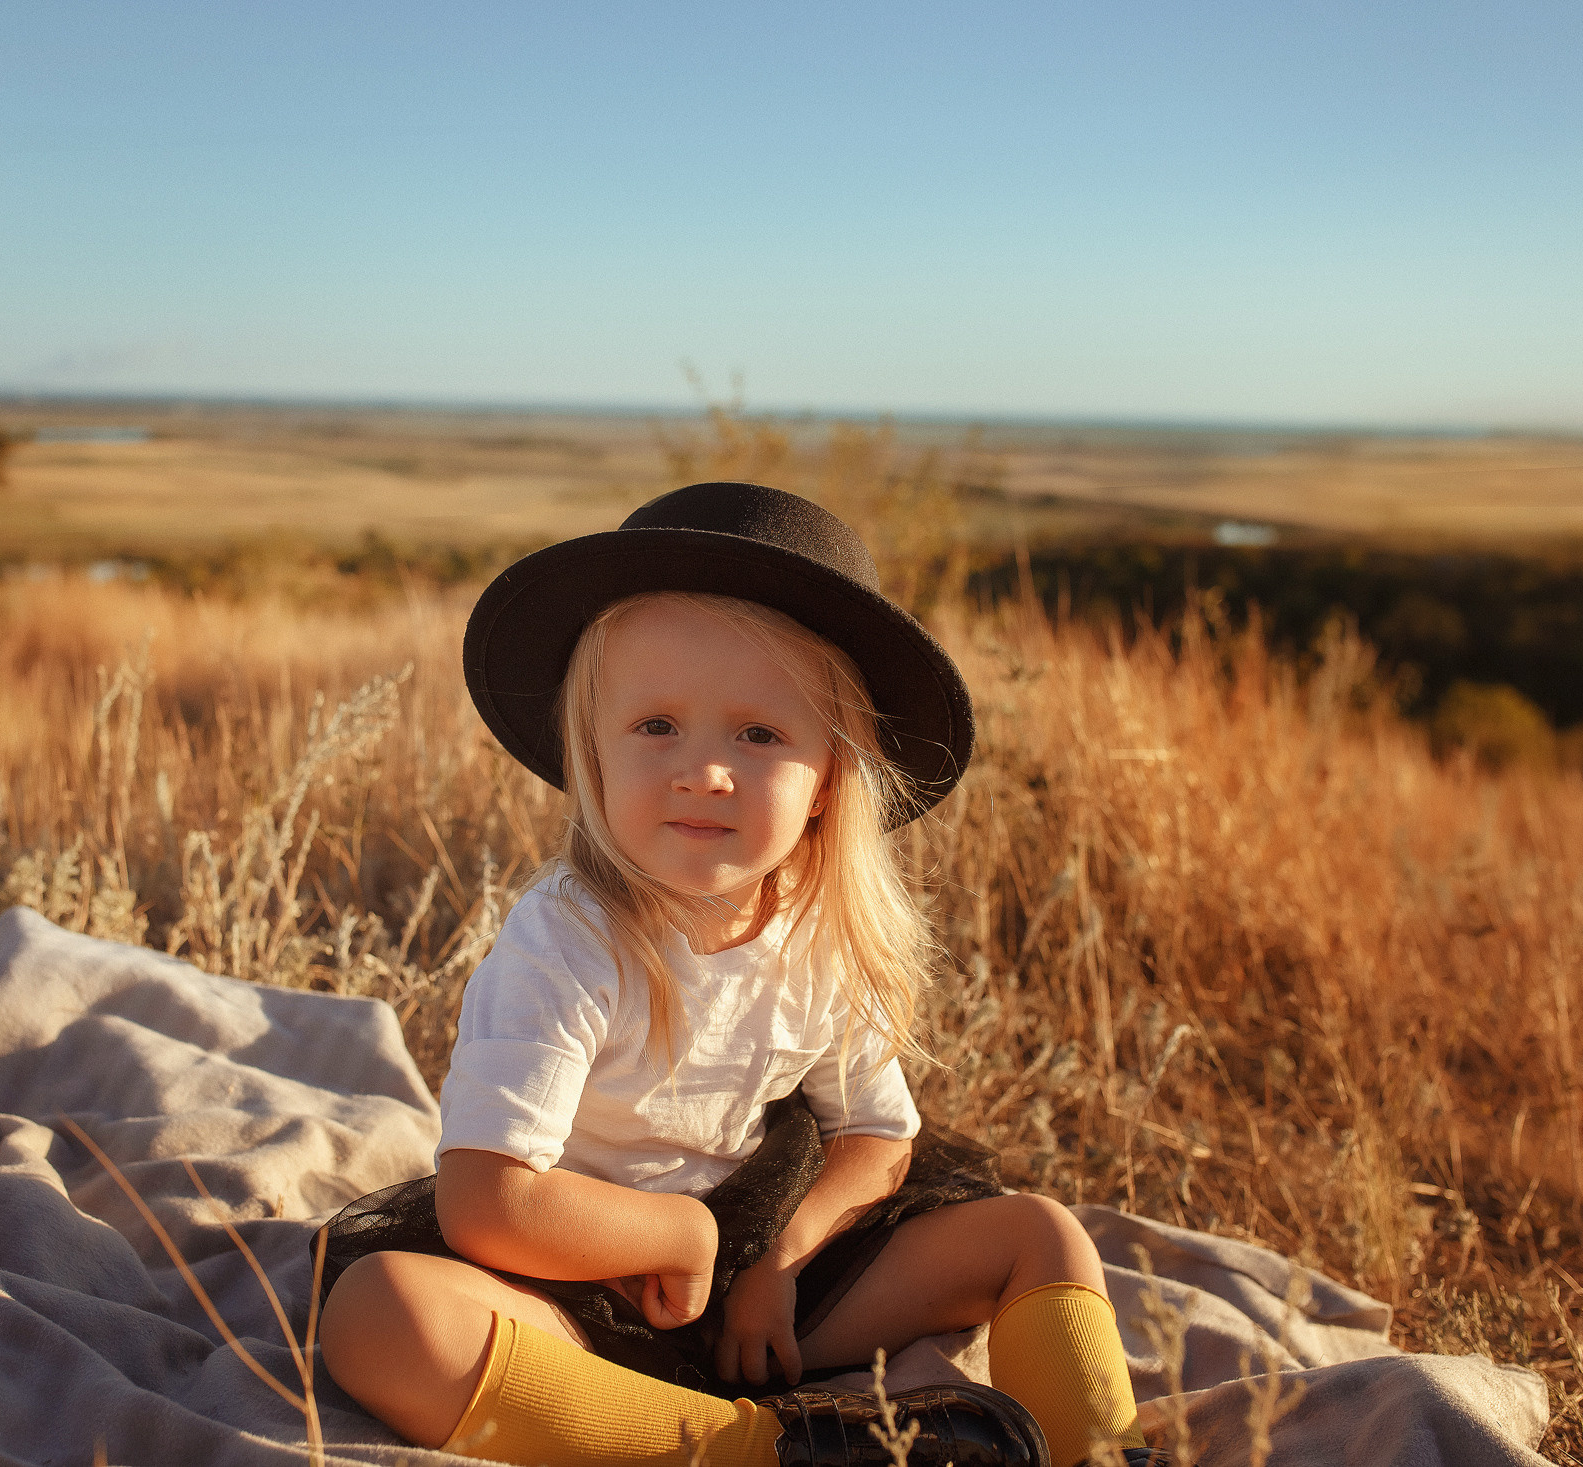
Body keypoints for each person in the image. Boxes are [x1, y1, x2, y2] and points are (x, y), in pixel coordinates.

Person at [316, 483, 1154, 1467]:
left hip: (767, 1281)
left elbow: (878, 1136)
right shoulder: (567, 941)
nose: (702, 770)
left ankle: (1101, 1455)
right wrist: (676, 1236)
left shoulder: (817, 931)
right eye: (656, 726)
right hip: (583, 1281)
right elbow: (487, 1201)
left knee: (1039, 1235)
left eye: (758, 735)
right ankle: (761, 1447)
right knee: (381, 1316)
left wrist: (778, 1264)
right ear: (592, 751)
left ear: (828, 780)